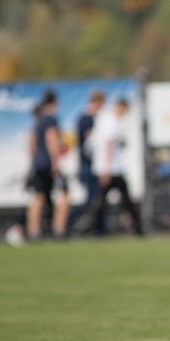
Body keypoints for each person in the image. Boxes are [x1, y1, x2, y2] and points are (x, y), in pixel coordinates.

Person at [90, 98, 144, 236]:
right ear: (120, 107)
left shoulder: (105, 119)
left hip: (109, 168)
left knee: (110, 200)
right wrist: (107, 169)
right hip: (111, 169)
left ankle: (97, 228)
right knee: (114, 200)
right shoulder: (111, 121)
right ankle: (96, 228)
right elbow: (109, 144)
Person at [26, 91, 69, 239]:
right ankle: (59, 230)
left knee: (38, 197)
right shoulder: (51, 119)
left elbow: (31, 141)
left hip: (38, 164)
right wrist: (55, 162)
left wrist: (33, 160)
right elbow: (51, 138)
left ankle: (33, 231)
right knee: (63, 195)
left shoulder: (38, 120)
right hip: (49, 164)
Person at [73, 90, 106, 233]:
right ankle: (68, 223)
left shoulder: (89, 118)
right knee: (91, 200)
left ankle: (98, 228)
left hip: (92, 166)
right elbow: (90, 143)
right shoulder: (87, 119)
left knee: (96, 198)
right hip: (88, 166)